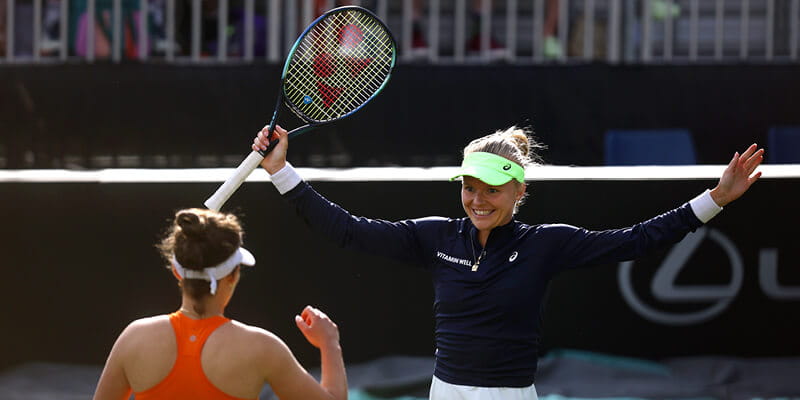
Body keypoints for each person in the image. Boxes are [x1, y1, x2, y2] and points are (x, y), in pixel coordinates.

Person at [252, 125, 763, 399]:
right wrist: (281, 171)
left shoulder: (547, 244)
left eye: (492, 191)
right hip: (445, 394)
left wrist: (715, 198)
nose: (477, 200)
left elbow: (636, 240)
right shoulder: (435, 237)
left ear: (518, 191)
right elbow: (347, 229)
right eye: (469, 188)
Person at [92, 208, 347, 400]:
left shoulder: (134, 338)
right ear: (234, 275)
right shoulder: (262, 348)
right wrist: (329, 343)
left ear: (176, 271)